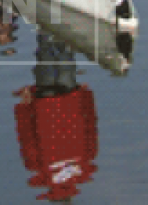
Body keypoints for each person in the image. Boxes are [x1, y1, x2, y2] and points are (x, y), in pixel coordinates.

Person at [13, 33, 98, 202]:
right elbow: (27, 137)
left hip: (67, 98)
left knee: (61, 51)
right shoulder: (40, 170)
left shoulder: (84, 167)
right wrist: (23, 107)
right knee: (48, 51)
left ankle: (53, 22)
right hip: (48, 100)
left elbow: (91, 128)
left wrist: (86, 96)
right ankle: (50, 22)